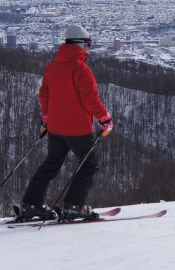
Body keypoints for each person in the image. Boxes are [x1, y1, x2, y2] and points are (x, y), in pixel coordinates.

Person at [18, 24, 114, 221]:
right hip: (78, 128)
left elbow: (44, 94)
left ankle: (31, 204)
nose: (89, 47)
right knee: (88, 164)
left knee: (51, 164)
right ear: (79, 44)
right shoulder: (81, 69)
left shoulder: (53, 67)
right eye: (88, 43)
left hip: (55, 128)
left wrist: (46, 119)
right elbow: (90, 98)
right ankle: (74, 206)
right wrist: (104, 119)